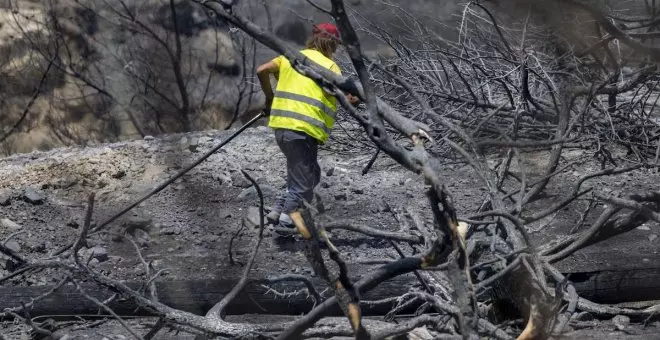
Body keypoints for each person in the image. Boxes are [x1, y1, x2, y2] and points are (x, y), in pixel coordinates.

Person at [256, 22, 356, 233]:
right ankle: (285, 223)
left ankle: (278, 210)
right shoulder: (330, 68)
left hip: (282, 129)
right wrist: (357, 99)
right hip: (304, 131)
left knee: (309, 174)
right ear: (333, 44)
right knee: (304, 183)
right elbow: (346, 99)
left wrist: (269, 98)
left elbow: (262, 70)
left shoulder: (291, 57)